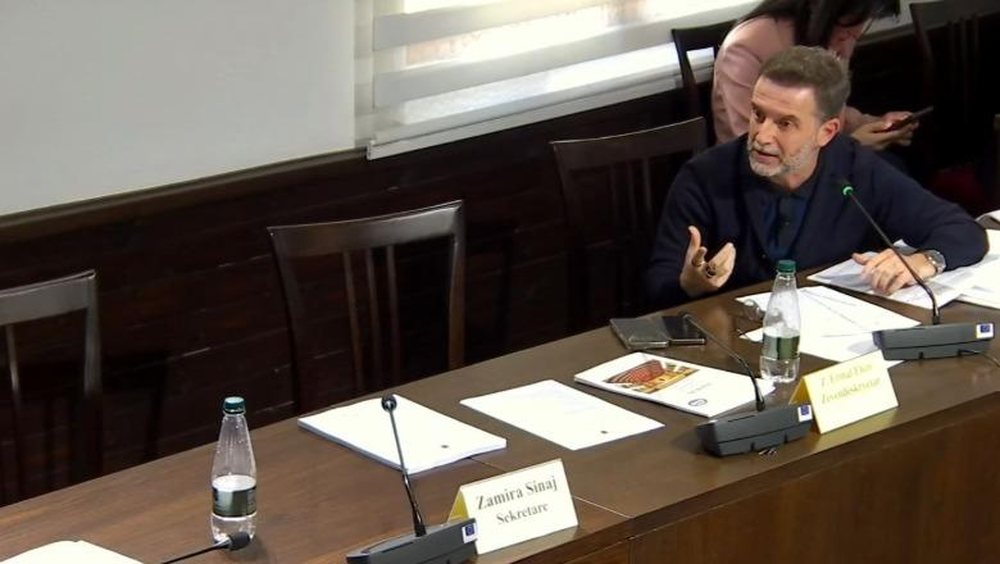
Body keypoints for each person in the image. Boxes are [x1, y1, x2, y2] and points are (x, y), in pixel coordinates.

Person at [645, 46, 987, 307]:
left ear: (827, 132)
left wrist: (924, 261)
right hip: (733, 346)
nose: (762, 135)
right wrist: (690, 284)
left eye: (785, 123)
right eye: (758, 115)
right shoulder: (704, 177)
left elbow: (964, 231)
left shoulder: (856, 169)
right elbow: (657, 288)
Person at [713, 0, 915, 150]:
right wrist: (850, 148)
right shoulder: (745, 48)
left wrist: (875, 124)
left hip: (827, 166)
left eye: (856, 37)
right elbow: (755, 150)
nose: (846, 51)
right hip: (762, 183)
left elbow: (829, 111)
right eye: (844, 36)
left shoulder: (827, 34)